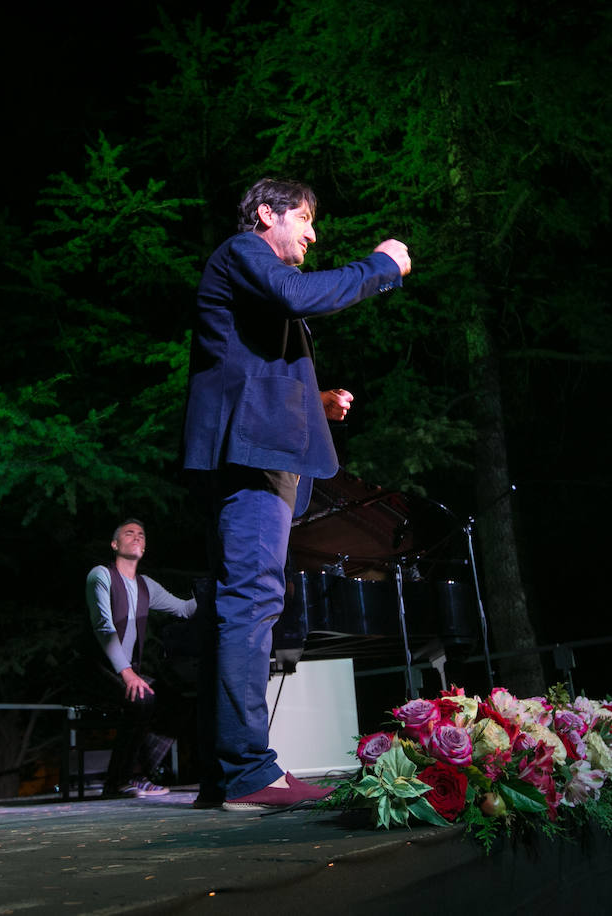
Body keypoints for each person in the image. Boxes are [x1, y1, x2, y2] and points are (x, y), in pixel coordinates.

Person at [181, 177, 411, 810]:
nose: (312, 234)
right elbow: (296, 296)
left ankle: (224, 774)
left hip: (261, 452)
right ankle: (248, 772)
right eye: (304, 219)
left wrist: (316, 402)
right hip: (252, 460)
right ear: (265, 214)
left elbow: (251, 367)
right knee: (251, 600)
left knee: (244, 602)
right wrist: (380, 266)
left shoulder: (253, 278)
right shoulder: (242, 252)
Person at [85, 519, 197, 797]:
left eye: (141, 535)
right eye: (129, 533)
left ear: (144, 547)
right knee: (142, 699)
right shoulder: (100, 575)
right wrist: (127, 673)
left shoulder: (146, 586)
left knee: (179, 703)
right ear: (115, 544)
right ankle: (116, 782)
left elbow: (184, 609)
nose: (136, 537)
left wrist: (216, 589)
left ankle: (139, 773)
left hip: (126, 673)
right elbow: (104, 626)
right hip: (97, 670)